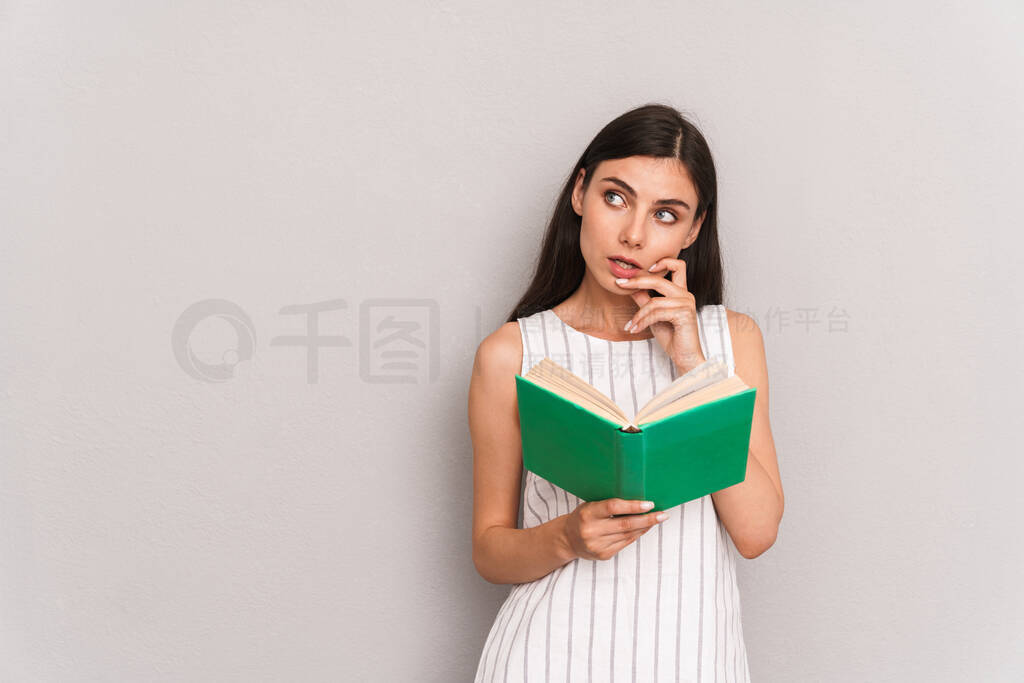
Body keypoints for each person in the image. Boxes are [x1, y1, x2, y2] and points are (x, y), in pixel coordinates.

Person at [468, 103, 784, 682]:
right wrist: (567, 535)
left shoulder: (732, 339)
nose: (634, 234)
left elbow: (757, 532)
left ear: (692, 230)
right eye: (616, 197)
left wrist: (691, 363)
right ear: (580, 192)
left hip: (692, 659)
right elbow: (490, 550)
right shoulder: (510, 354)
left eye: (665, 214)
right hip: (547, 658)